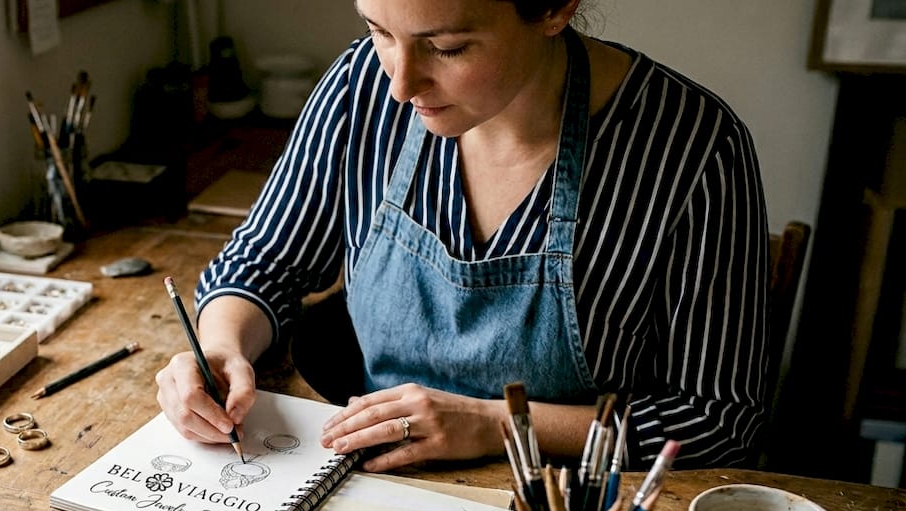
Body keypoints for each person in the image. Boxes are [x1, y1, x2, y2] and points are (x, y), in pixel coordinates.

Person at [155, 0, 770, 471]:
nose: (400, 83)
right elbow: (265, 262)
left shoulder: (695, 151)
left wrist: (499, 425)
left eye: (446, 48)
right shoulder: (360, 89)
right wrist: (222, 346)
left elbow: (719, 421)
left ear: (554, 8)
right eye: (379, 30)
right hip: (370, 483)